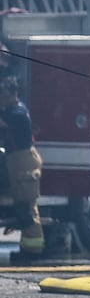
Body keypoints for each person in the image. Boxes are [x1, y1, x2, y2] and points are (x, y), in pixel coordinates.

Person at [1, 77, 46, 265]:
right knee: (23, 205)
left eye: (3, 93)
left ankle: (34, 250)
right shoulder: (13, 110)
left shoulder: (17, 113)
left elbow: (4, 124)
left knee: (25, 208)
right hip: (18, 159)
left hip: (23, 161)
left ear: (13, 93)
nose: (0, 96)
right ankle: (28, 248)